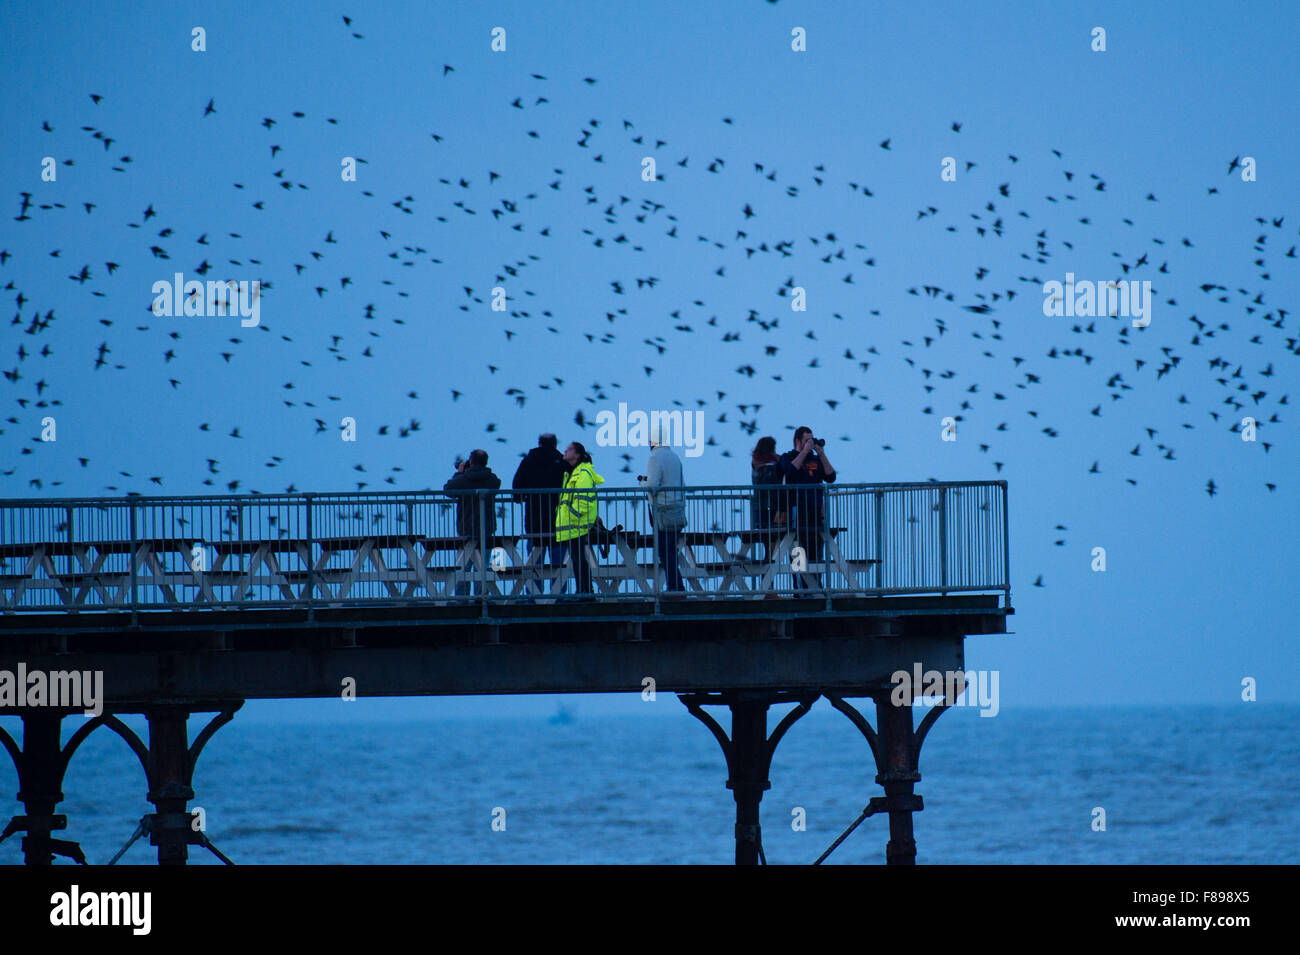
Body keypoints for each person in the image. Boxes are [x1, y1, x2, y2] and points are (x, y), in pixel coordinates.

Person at [779, 426, 836, 590]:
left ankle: (816, 590)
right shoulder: (787, 457)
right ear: (797, 441)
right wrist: (804, 452)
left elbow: (831, 477)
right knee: (798, 553)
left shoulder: (816, 459)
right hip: (797, 512)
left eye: (812, 440)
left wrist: (821, 453)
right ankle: (801, 592)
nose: (810, 444)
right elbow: (790, 471)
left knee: (816, 555)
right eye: (807, 440)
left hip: (815, 512)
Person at [512, 433, 566, 594]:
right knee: (559, 562)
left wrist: (523, 497)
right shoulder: (562, 462)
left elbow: (517, 489)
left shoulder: (528, 461)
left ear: (539, 444)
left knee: (535, 562)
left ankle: (534, 596)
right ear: (555, 444)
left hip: (534, 517)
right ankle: (559, 596)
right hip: (558, 518)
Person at [444, 449, 502, 595]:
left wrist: (459, 472)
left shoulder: (464, 479)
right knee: (484, 566)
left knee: (463, 567)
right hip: (487, 528)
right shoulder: (492, 479)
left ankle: (462, 598)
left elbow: (448, 490)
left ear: (471, 461)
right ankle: (482, 596)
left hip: (466, 528)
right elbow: (497, 484)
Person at [554, 442, 604, 597]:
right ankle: (583, 590)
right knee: (577, 559)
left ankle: (585, 591)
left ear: (576, 455)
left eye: (568, 449)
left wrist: (572, 515)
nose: (564, 451)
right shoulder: (573, 473)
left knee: (579, 559)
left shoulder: (582, 473)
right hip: (572, 524)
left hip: (577, 523)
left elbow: (583, 500)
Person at [640, 429, 686, 593]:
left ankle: (676, 587)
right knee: (671, 550)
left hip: (663, 511)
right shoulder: (674, 456)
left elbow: (653, 485)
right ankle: (676, 586)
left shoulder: (655, 457)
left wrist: (642, 484)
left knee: (664, 551)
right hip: (677, 509)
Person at [750, 436, 784, 563]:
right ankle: (769, 562)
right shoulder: (766, 463)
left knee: (768, 537)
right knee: (771, 535)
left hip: (761, 504)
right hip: (770, 504)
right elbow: (768, 479)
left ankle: (769, 562)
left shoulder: (756, 460)